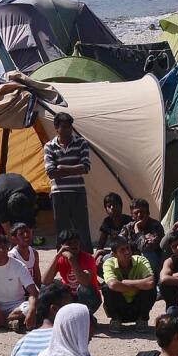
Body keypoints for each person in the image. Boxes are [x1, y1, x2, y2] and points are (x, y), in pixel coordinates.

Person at [43, 112, 93, 250]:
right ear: (56, 128)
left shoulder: (81, 143)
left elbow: (85, 167)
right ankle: (63, 258)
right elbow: (51, 172)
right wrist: (74, 168)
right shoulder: (49, 146)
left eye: (69, 127)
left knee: (82, 227)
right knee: (62, 229)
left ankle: (87, 258)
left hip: (77, 191)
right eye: (64, 127)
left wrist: (62, 167)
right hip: (59, 194)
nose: (67, 131)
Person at [100, 237, 157, 329]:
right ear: (114, 254)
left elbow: (150, 282)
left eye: (128, 248)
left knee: (151, 289)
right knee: (106, 288)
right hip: (120, 307)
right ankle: (115, 319)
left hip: (137, 306)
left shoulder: (141, 260)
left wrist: (126, 282)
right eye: (122, 250)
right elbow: (112, 284)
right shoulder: (109, 263)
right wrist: (140, 285)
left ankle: (142, 319)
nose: (127, 252)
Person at [44, 228, 102, 313]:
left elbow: (85, 282)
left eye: (76, 243)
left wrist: (71, 259)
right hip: (69, 298)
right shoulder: (60, 259)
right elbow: (45, 281)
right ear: (62, 246)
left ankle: (87, 316)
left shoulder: (88, 259)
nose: (73, 246)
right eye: (69, 244)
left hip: (89, 298)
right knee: (48, 287)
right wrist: (57, 256)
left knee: (83, 289)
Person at [123, 198, 165, 272]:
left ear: (148, 213)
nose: (139, 215)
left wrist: (137, 231)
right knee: (109, 257)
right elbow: (118, 243)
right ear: (132, 216)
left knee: (147, 254)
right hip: (131, 259)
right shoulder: (128, 227)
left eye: (142, 212)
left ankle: (152, 278)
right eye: (136, 213)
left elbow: (145, 247)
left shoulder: (155, 226)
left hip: (152, 260)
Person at [95, 193, 130, 261]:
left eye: (115, 205)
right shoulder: (107, 222)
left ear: (121, 206)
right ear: (106, 209)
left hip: (127, 252)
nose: (112, 208)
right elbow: (101, 243)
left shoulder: (128, 221)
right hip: (114, 252)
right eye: (109, 206)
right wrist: (98, 255)